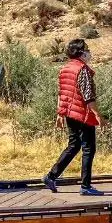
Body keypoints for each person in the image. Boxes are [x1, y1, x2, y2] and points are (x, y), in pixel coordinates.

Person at [43, 38, 104, 196]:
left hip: (70, 113)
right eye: (87, 49)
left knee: (74, 145)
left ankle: (51, 176)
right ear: (80, 52)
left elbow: (62, 93)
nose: (89, 52)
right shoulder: (82, 69)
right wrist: (98, 115)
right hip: (83, 114)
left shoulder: (65, 69)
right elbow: (88, 95)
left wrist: (60, 114)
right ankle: (86, 186)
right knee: (89, 148)